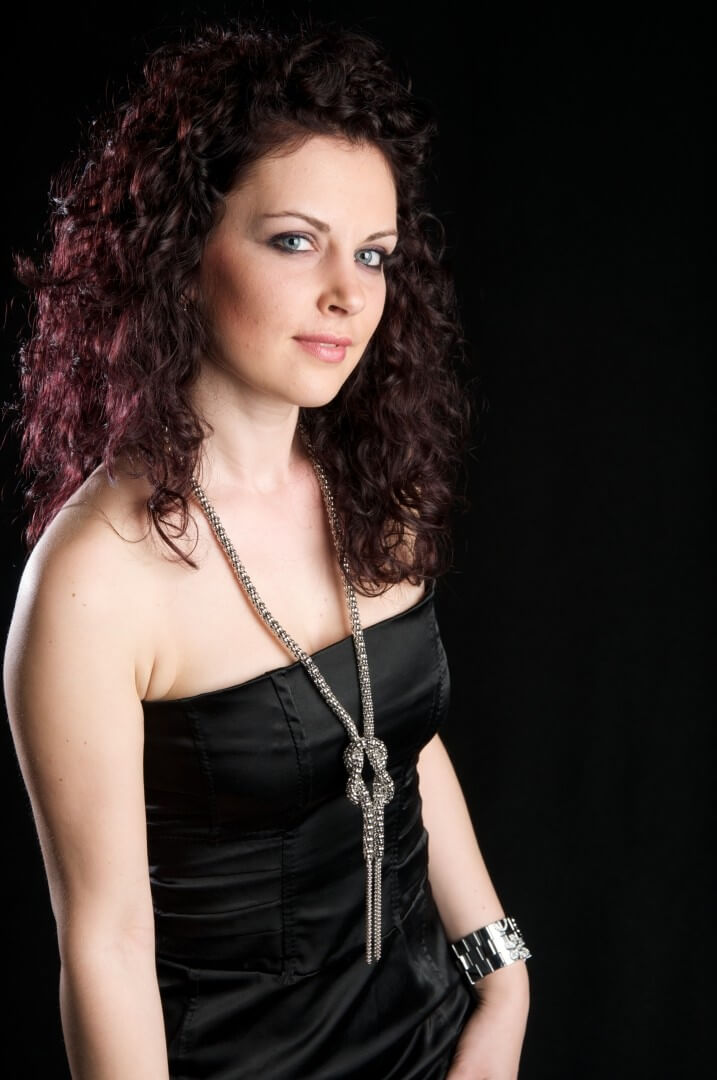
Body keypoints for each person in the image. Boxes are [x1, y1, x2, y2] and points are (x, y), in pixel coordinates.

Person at [3, 16, 530, 1080]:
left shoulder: (376, 491)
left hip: (434, 1045)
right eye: (295, 240)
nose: (349, 292)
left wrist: (504, 982)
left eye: (372, 254)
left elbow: (399, 743)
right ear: (182, 252)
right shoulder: (93, 582)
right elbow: (106, 948)